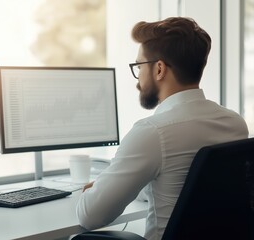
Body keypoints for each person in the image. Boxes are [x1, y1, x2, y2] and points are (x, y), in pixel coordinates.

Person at [76, 17, 249, 240]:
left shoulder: (152, 132)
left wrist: (96, 187)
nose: (138, 78)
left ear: (159, 69)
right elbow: (186, 188)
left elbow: (89, 216)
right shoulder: (234, 123)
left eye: (139, 66)